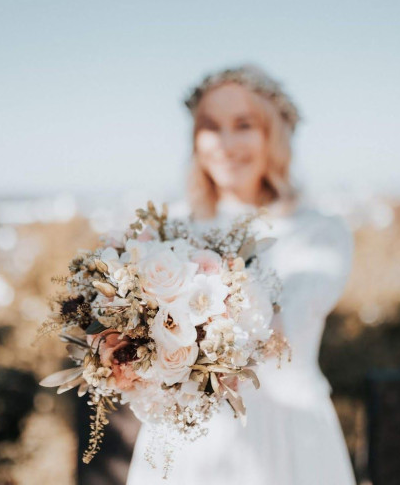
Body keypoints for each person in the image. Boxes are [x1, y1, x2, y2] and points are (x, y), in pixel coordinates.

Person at [125, 64, 357, 485]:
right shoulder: (165, 229)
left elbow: (285, 331)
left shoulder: (320, 233)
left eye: (243, 125)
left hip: (289, 437)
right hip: (182, 444)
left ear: (273, 135)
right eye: (211, 126)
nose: (225, 143)